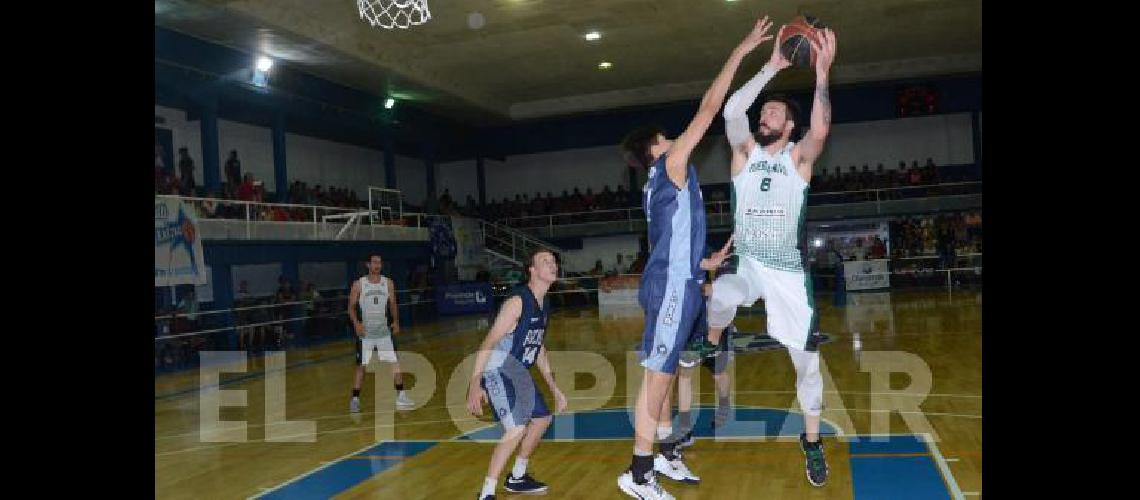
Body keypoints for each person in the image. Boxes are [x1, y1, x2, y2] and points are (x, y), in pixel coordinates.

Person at [614, 16, 774, 500]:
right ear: (655, 148)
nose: (672, 138)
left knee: (665, 375)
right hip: (669, 288)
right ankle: (638, 473)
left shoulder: (663, 180)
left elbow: (669, 236)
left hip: (681, 279)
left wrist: (703, 262)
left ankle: (661, 454)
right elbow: (711, 107)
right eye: (665, 136)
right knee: (657, 379)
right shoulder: (672, 163)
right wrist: (743, 50)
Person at [697, 22, 838, 488]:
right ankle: (713, 340)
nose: (767, 112)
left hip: (788, 275)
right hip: (752, 265)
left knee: (808, 367)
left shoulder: (798, 160)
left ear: (789, 126)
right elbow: (732, 108)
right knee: (720, 293)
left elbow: (821, 128)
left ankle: (812, 442)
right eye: (767, 109)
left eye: (776, 109)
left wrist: (821, 74)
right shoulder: (744, 154)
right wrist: (770, 68)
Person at [467, 250, 568, 499]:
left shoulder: (544, 305)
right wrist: (475, 384)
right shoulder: (518, 302)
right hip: (497, 368)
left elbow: (539, 349)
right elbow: (488, 342)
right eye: (545, 262)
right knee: (516, 429)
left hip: (517, 371)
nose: (552, 265)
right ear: (531, 271)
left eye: (554, 262)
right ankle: (487, 492)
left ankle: (517, 476)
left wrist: (555, 389)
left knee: (543, 419)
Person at [348, 254, 415, 413]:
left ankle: (401, 395)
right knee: (361, 367)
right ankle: (355, 399)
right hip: (366, 334)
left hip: (384, 332)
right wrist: (356, 323)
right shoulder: (359, 284)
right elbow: (350, 307)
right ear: (368, 265)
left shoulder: (388, 283)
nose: (378, 265)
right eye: (374, 262)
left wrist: (396, 321)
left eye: (379, 262)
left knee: (394, 363)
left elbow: (393, 304)